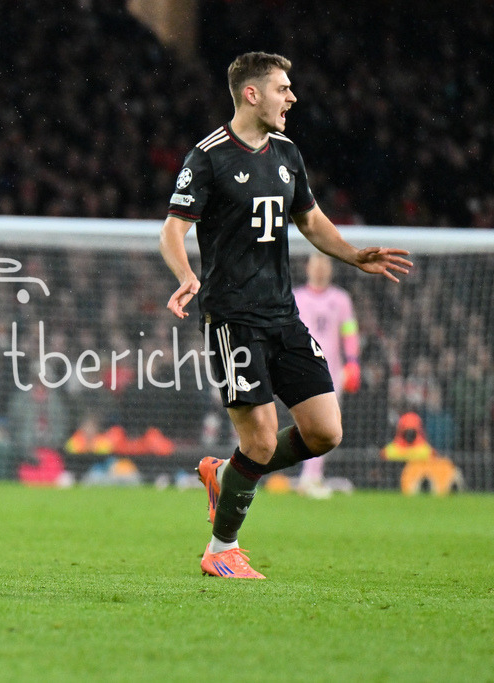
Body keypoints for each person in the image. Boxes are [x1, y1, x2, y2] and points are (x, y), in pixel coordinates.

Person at [159, 52, 412, 579]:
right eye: (282, 88)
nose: (291, 97)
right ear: (252, 94)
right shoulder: (206, 158)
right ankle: (220, 549)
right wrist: (187, 275)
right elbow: (172, 230)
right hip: (234, 319)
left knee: (325, 432)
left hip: (283, 315)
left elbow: (311, 220)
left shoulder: (288, 153)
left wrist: (353, 254)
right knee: (262, 441)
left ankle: (225, 475)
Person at [293, 253, 360, 497]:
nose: (320, 267)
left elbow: (350, 331)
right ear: (307, 266)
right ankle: (309, 477)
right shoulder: (296, 297)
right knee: (309, 423)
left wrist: (352, 362)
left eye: (325, 262)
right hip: (304, 368)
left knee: (328, 426)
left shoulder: (341, 299)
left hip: (333, 371)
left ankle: (311, 477)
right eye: (316, 262)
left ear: (330, 267)